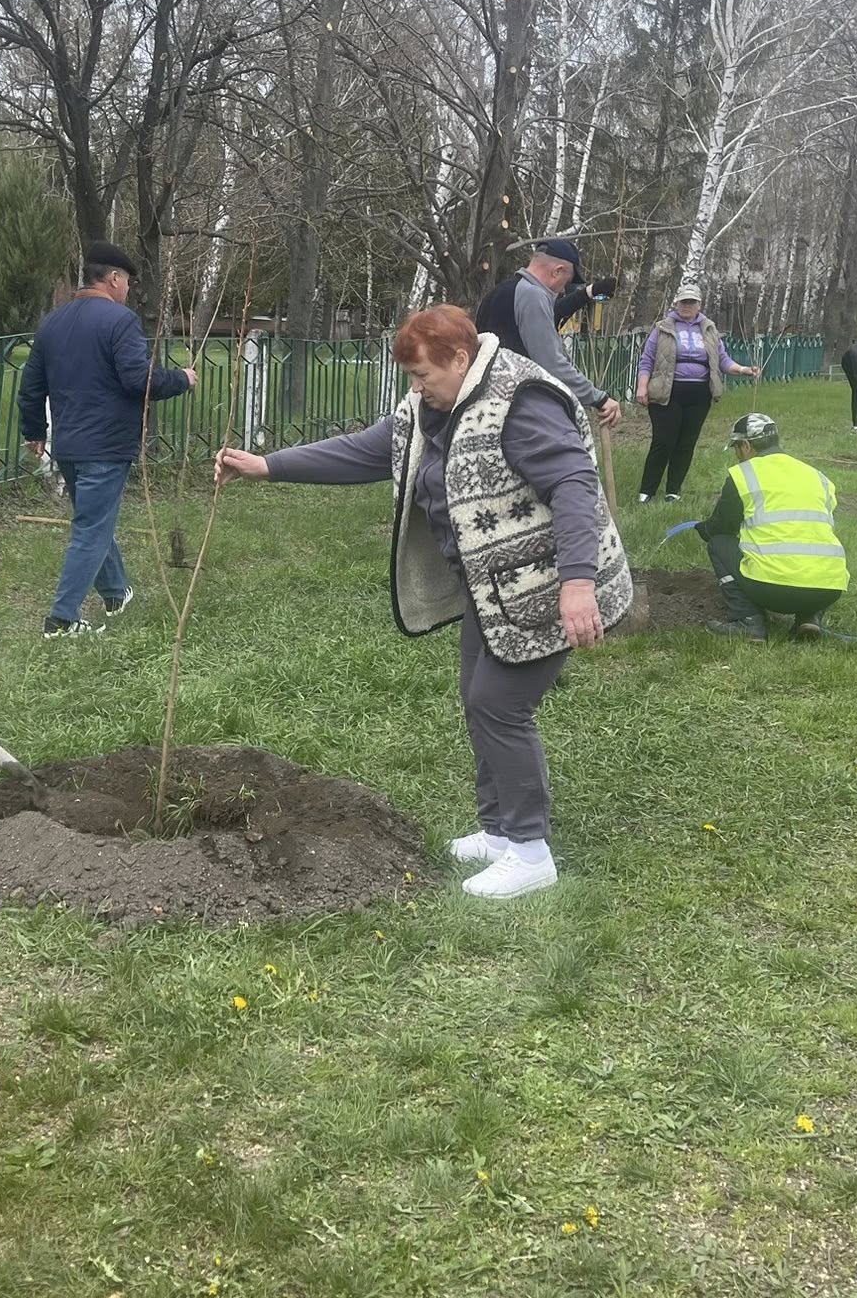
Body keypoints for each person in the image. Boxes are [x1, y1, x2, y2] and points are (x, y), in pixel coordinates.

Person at [215, 306, 634, 901]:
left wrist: (577, 582)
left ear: (460, 359)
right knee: (478, 700)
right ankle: (499, 834)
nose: (415, 389)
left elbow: (573, 485)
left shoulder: (521, 401)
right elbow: (370, 449)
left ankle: (531, 851)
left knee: (499, 706)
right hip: (495, 589)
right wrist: (267, 466)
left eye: (422, 376)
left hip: (549, 584)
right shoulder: (432, 407)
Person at [19, 242, 197, 638]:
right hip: (106, 445)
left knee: (93, 522)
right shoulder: (120, 320)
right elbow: (139, 378)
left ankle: (116, 594)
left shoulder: (53, 322)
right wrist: (181, 379)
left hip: (68, 445)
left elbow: (32, 385)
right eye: (128, 282)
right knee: (92, 529)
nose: (129, 289)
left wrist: (34, 430)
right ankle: (62, 620)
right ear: (113, 278)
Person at [696, 412, 848, 642]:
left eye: (737, 449)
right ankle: (809, 618)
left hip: (772, 589)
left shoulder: (744, 475)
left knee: (718, 544)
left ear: (746, 446)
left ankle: (748, 621)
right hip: (828, 588)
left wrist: (704, 529)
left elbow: (722, 527)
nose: (737, 456)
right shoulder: (818, 477)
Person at [475, 239, 623, 431]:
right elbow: (551, 364)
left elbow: (556, 313)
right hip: (519, 412)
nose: (563, 290)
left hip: (489, 408)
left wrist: (588, 293)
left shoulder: (499, 293)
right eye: (566, 282)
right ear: (557, 271)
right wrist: (599, 398)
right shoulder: (533, 296)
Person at [634, 283, 761, 503]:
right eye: (683, 301)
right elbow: (647, 360)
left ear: (699, 305)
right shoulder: (662, 328)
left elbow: (722, 360)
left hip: (699, 395)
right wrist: (642, 387)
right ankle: (647, 491)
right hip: (667, 393)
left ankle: (673, 491)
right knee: (663, 441)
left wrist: (743, 370)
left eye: (691, 302)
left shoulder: (709, 329)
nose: (687, 306)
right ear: (676, 303)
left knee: (686, 443)